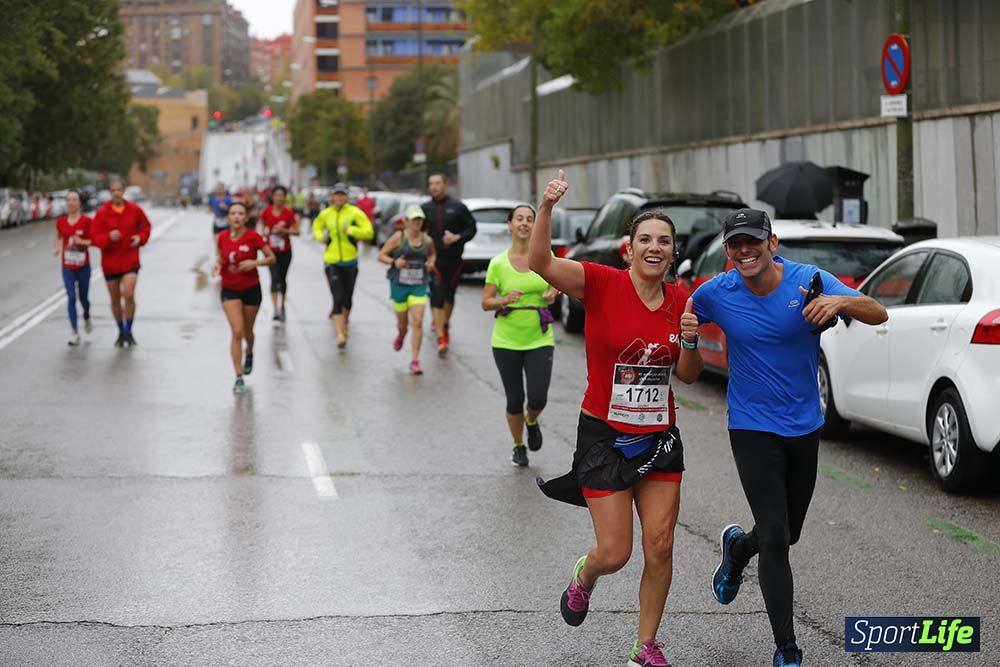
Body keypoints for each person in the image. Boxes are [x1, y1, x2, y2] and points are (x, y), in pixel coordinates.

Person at [693, 208, 888, 667]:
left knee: (788, 532)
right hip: (750, 427)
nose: (746, 251)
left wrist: (839, 304)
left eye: (753, 241)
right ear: (727, 252)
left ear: (772, 243)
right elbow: (669, 310)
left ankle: (738, 548)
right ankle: (787, 649)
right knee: (777, 536)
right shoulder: (715, 294)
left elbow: (878, 312)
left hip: (803, 426)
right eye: (736, 244)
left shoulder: (809, 279)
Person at [531, 171, 703, 667]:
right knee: (616, 552)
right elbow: (540, 262)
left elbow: (688, 376)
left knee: (661, 544)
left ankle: (644, 646)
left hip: (658, 439)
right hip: (605, 436)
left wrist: (689, 340)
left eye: (664, 242)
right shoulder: (600, 282)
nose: (655, 247)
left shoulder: (680, 302)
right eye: (645, 239)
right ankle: (585, 575)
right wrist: (545, 206)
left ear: (672, 252)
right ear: (628, 249)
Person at [481, 204, 558, 467]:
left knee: (537, 397)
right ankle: (518, 445)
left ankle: (532, 420)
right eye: (519, 219)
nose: (524, 223)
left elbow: (557, 283)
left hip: (539, 337)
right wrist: (503, 299)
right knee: (515, 399)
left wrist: (554, 292)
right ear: (510, 225)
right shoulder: (498, 264)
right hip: (506, 341)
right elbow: (486, 302)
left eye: (529, 219)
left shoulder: (545, 255)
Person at [212, 201, 276, 394]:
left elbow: (271, 258)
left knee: (248, 332)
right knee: (237, 331)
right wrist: (216, 265)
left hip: (251, 289)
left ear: (246, 218)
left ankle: (249, 353)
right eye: (233, 213)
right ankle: (238, 376)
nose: (237, 217)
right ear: (228, 217)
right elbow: (220, 257)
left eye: (240, 214)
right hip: (230, 289)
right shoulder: (222, 237)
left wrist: (254, 262)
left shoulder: (253, 237)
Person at [90, 178, 152, 348]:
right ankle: (120, 331)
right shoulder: (102, 212)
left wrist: (140, 238)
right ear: (109, 193)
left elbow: (146, 227)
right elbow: (94, 238)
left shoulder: (134, 210)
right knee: (115, 299)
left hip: (130, 259)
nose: (116, 193)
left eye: (119, 190)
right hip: (110, 263)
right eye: (113, 190)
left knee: (129, 294)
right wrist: (108, 237)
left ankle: (128, 330)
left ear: (124, 191)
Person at [421, 173, 477, 357]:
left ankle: (444, 323)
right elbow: (418, 232)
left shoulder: (458, 207)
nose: (434, 187)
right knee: (436, 296)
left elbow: (471, 229)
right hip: (434, 260)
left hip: (453, 260)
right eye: (431, 184)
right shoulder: (424, 208)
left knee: (449, 296)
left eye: (438, 183)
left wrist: (457, 237)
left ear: (445, 184)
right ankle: (441, 336)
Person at [312, 182, 374, 348]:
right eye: (336, 195)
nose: (339, 198)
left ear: (347, 197)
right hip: (332, 261)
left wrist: (351, 230)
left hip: (350, 261)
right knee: (337, 297)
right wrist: (321, 236)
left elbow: (369, 231)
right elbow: (316, 227)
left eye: (342, 195)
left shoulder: (355, 213)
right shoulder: (326, 214)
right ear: (332, 197)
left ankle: (344, 324)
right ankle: (339, 334)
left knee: (348, 298)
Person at [378, 204, 436, 375]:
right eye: (413, 219)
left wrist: (431, 262)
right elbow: (381, 255)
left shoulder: (427, 240)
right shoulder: (398, 238)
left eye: (419, 219)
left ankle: (415, 360)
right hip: (399, 285)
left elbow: (432, 254)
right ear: (406, 221)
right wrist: (394, 262)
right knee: (403, 324)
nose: (417, 223)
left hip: (419, 285)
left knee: (417, 321)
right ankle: (401, 335)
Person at [52, 190, 93, 346]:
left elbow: (94, 240)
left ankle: (87, 314)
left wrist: (82, 242)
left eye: (74, 200)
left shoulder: (87, 221)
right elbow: (58, 236)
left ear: (80, 202)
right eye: (68, 200)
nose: (71, 203)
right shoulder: (61, 221)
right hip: (67, 266)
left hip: (83, 266)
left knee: (83, 299)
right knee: (71, 297)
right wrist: (56, 248)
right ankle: (74, 332)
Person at [259, 185, 299, 322]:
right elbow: (260, 225)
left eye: (282, 195)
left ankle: (282, 306)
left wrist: (285, 231)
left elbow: (297, 231)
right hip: (271, 252)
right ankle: (275, 309)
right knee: (274, 278)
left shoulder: (288, 213)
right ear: (272, 196)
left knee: (282, 280)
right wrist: (263, 234)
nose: (279, 198)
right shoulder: (266, 211)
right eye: (276, 195)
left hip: (285, 251)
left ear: (285, 197)